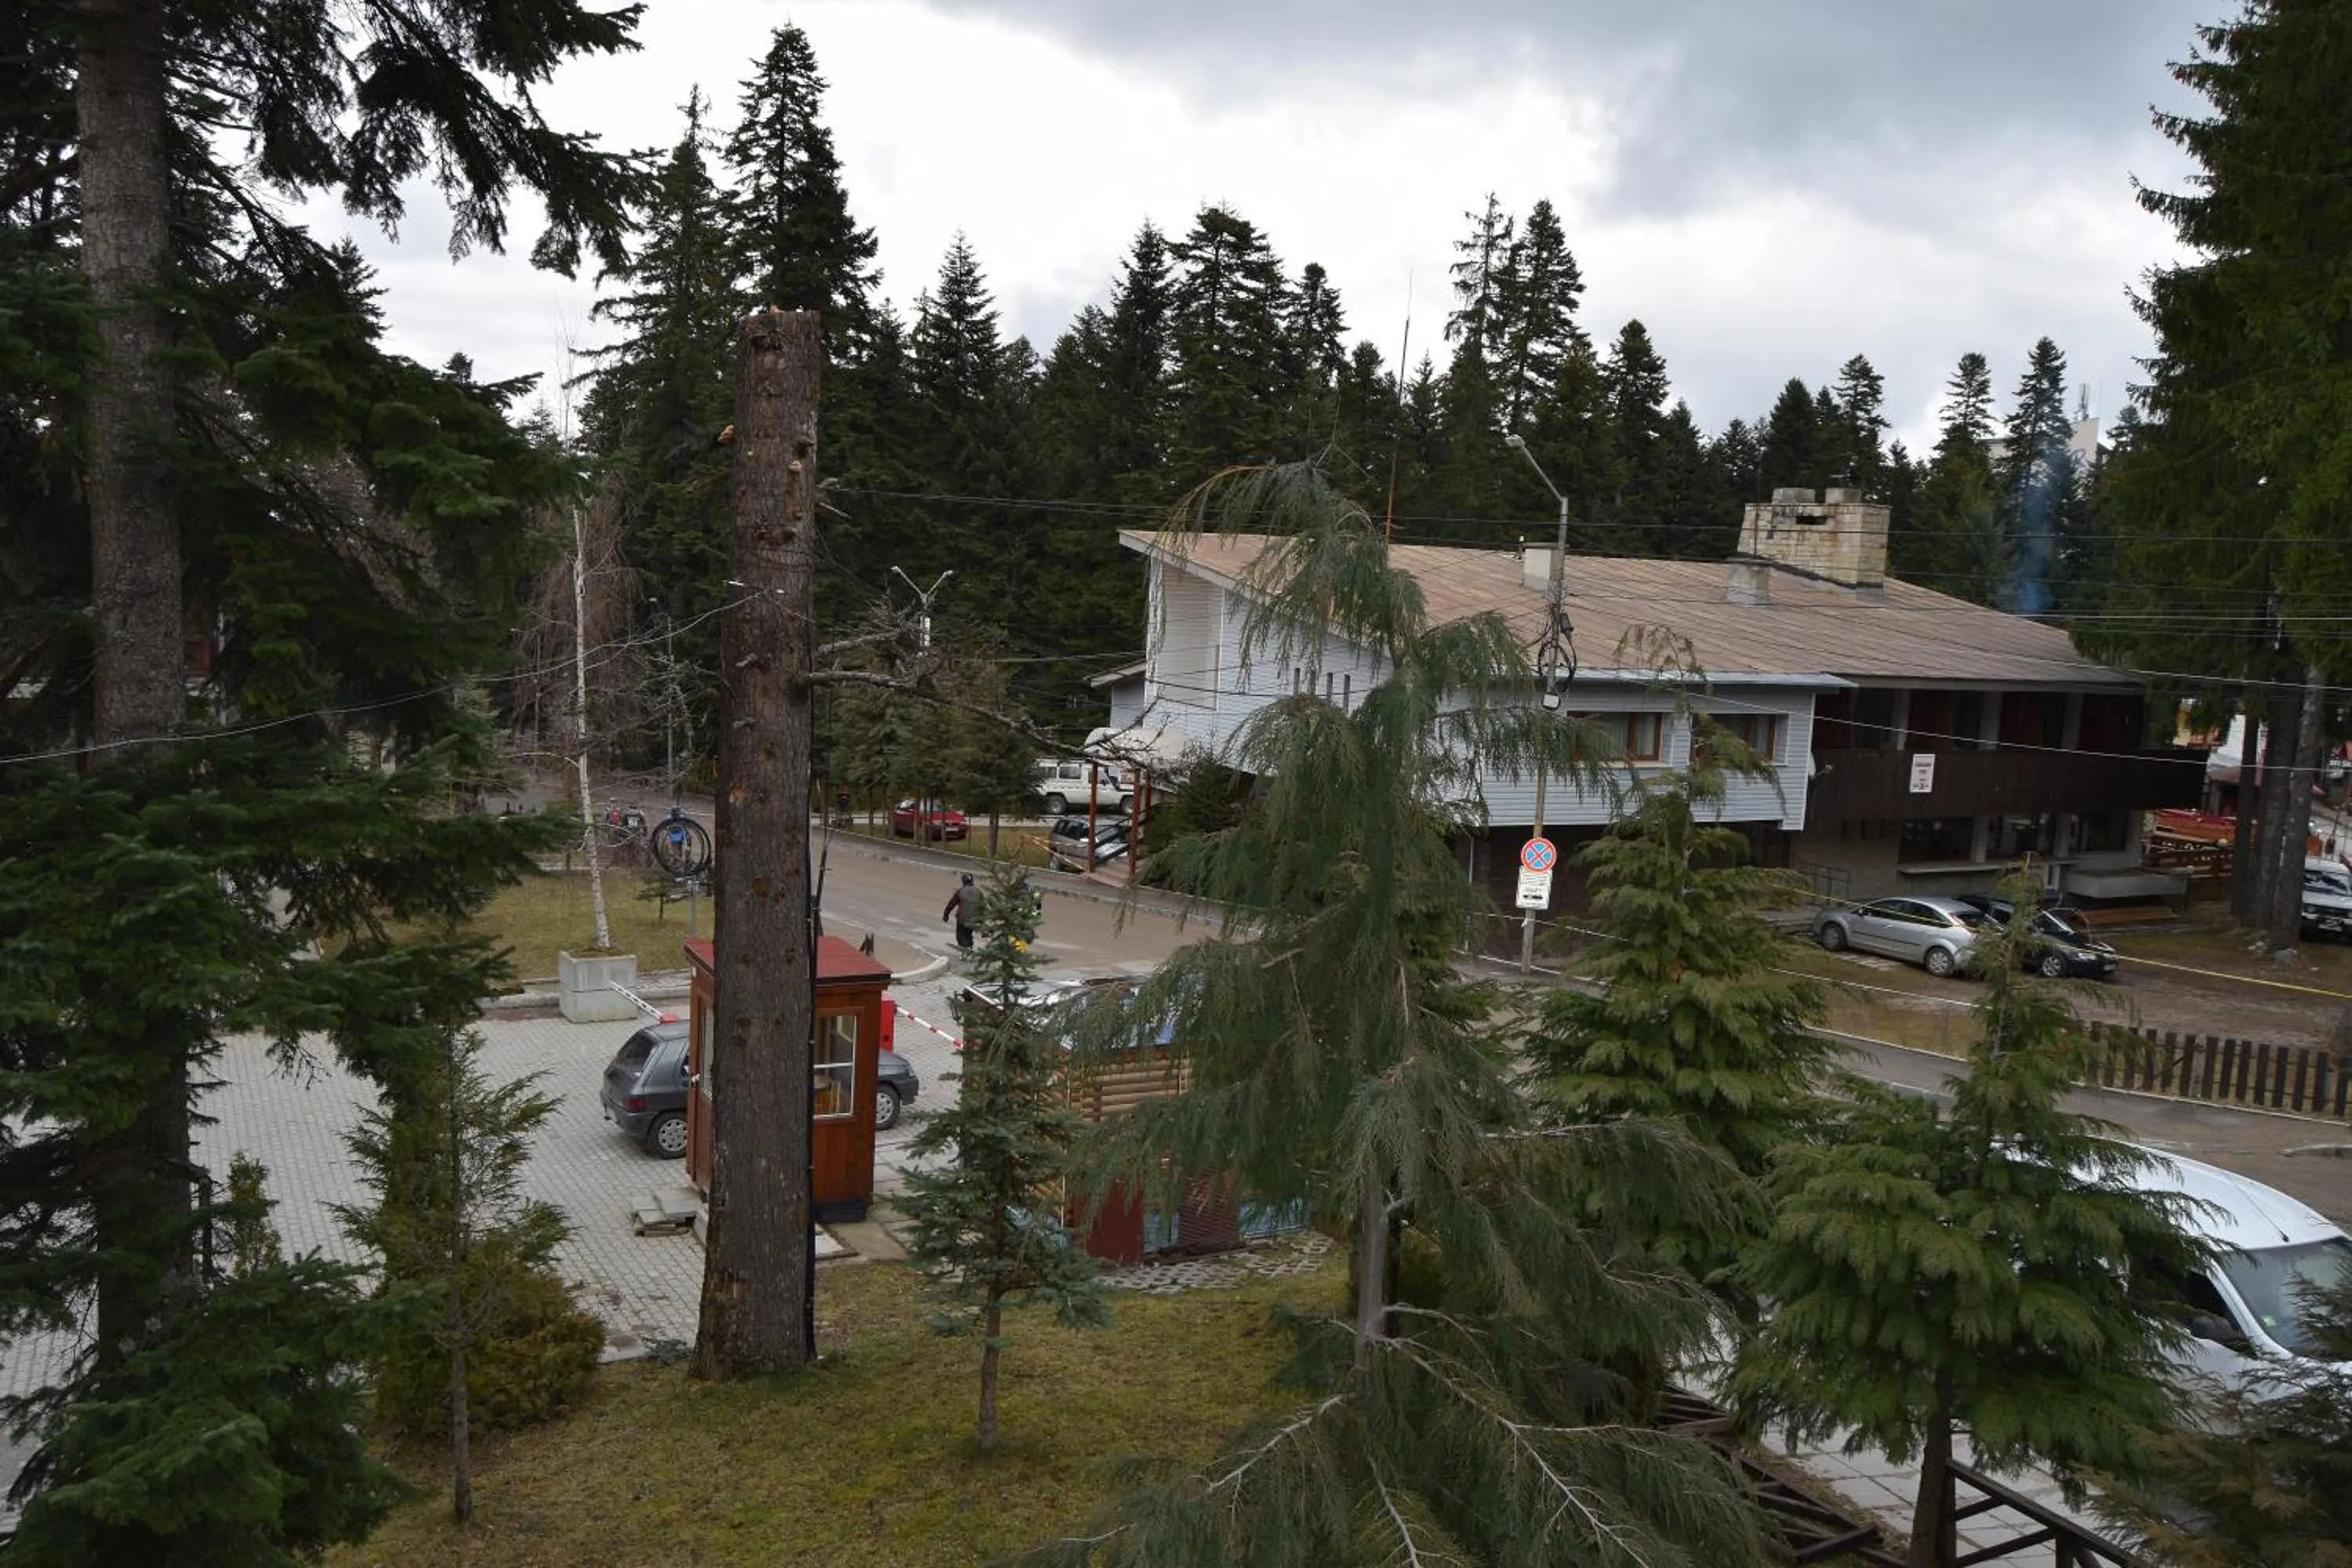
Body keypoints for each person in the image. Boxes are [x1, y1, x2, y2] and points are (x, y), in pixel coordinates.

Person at [942, 872, 979, 952]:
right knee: (968, 933)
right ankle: (969, 947)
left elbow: (951, 904)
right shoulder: (978, 892)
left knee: (961, 935)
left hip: (962, 917)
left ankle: (964, 950)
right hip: (974, 917)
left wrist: (946, 915)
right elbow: (982, 906)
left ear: (963, 881)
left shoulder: (960, 891)